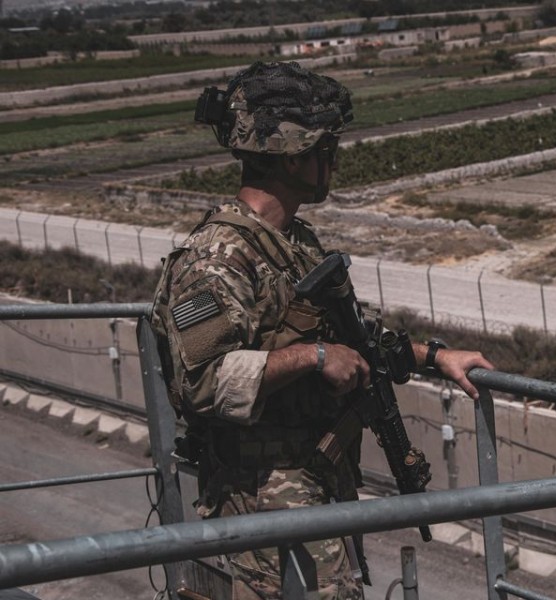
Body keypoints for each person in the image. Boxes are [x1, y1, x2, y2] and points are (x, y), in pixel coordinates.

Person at [149, 61, 494, 600]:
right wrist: (312, 357)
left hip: (309, 479)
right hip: (265, 491)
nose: (333, 161)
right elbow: (201, 384)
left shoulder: (293, 243)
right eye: (325, 149)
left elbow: (353, 338)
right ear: (293, 155)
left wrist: (433, 357)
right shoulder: (216, 259)